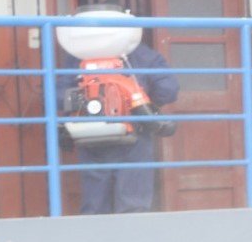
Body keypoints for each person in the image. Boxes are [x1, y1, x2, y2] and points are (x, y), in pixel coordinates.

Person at [59, 17, 179, 215]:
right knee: (133, 203)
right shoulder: (144, 55)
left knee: (95, 204)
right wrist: (142, 105)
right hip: (134, 134)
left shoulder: (77, 58)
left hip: (89, 135)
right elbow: (168, 90)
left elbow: (56, 95)